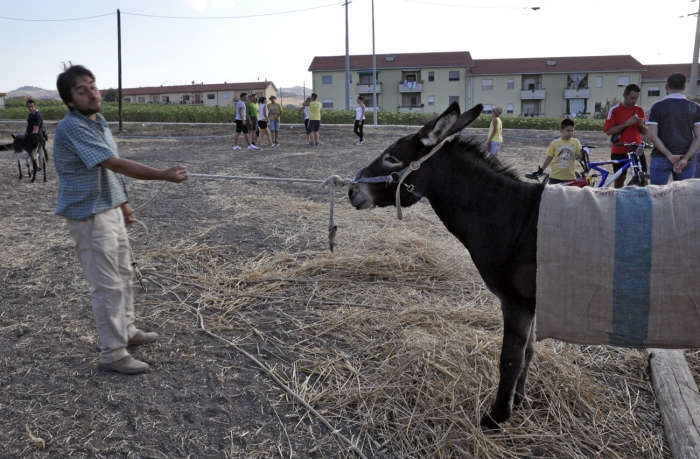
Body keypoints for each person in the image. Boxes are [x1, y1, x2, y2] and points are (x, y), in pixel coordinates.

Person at [53, 65, 189, 375]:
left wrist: (124, 205)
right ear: (70, 101)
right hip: (89, 216)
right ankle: (113, 353)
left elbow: (107, 170)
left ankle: (126, 331)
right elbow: (114, 163)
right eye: (81, 90)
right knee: (107, 285)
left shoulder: (97, 121)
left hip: (109, 209)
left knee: (124, 275)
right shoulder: (72, 126)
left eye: (92, 85)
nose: (92, 93)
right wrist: (161, 175)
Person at [647, 73, 700, 184]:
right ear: (684, 87)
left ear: (666, 86)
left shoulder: (657, 106)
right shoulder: (695, 108)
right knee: (684, 197)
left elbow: (652, 135)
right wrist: (685, 158)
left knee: (658, 196)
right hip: (686, 159)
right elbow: (698, 137)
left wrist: (669, 155)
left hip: (661, 158)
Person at [603, 84, 648, 188]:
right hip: (619, 150)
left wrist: (642, 126)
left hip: (637, 150)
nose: (634, 101)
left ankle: (641, 201)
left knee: (642, 179)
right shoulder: (614, 110)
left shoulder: (640, 110)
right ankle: (619, 199)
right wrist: (626, 123)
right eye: (632, 98)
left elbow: (644, 132)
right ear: (624, 95)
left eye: (636, 98)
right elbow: (608, 131)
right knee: (619, 179)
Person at [535, 118, 582, 184]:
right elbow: (549, 158)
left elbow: (580, 157)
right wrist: (542, 169)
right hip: (555, 177)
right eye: (568, 130)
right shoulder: (555, 143)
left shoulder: (576, 142)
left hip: (569, 177)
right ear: (561, 130)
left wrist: (584, 153)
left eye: (572, 131)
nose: (570, 133)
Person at [26, 99, 45, 171]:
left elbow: (36, 129)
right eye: (29, 106)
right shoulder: (31, 115)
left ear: (35, 106)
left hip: (36, 138)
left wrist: (29, 139)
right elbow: (28, 126)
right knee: (36, 154)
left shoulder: (37, 115)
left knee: (38, 154)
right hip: (35, 137)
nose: (30, 108)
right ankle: (37, 168)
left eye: (32, 106)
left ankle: (40, 168)